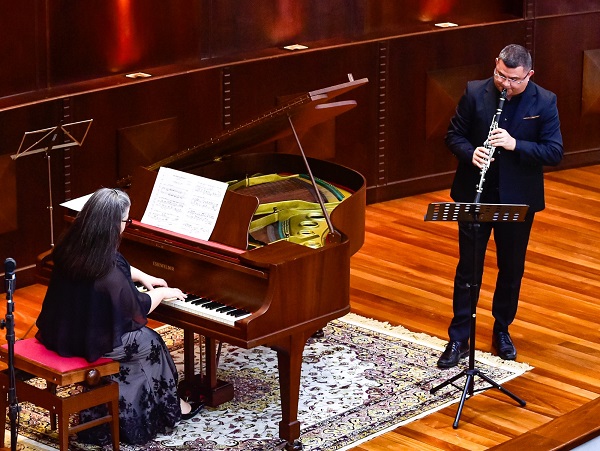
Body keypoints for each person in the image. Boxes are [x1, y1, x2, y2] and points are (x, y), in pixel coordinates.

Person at [35, 188, 203, 445]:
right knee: (150, 342)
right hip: (88, 340)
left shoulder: (73, 243)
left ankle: (108, 411)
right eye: (126, 220)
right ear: (114, 223)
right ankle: (165, 410)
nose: (127, 224)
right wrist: (164, 293)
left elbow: (114, 263)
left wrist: (141, 276)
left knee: (138, 342)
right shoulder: (107, 271)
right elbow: (138, 307)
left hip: (61, 330)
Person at [437, 44, 564, 368]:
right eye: (501, 76)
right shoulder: (475, 92)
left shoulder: (544, 101)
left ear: (529, 75)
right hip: (475, 196)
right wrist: (471, 153)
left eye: (514, 80)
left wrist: (514, 144)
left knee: (511, 269)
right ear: (495, 65)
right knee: (468, 269)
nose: (505, 84)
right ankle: (459, 337)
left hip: (518, 200)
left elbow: (554, 152)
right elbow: (454, 135)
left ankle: (502, 329)